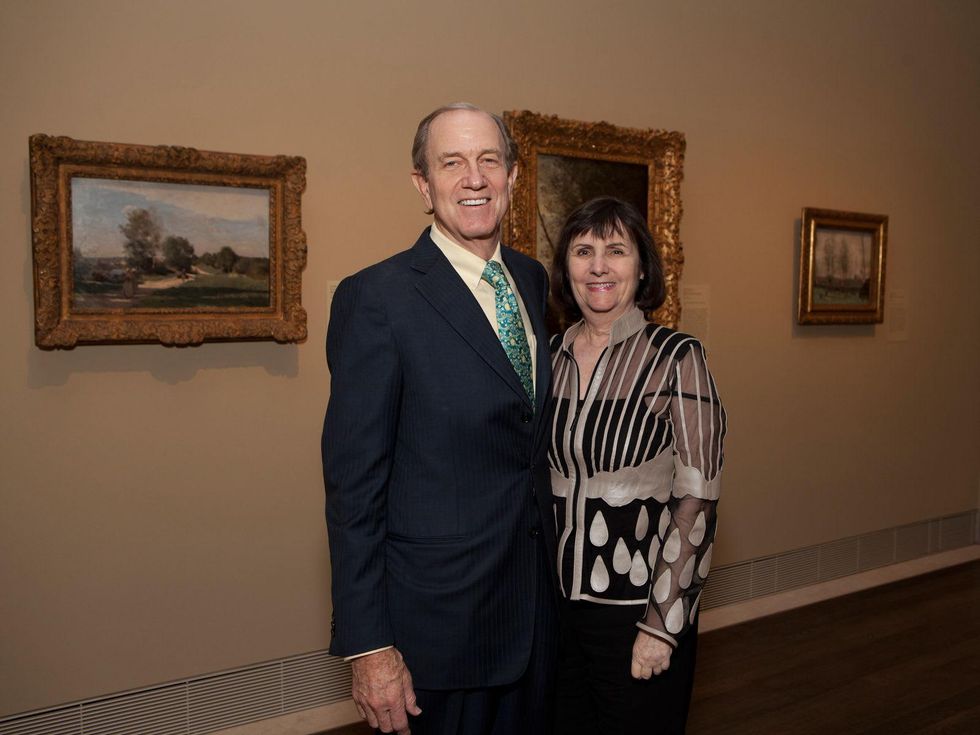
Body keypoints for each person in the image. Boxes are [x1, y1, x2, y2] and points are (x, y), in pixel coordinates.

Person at [322, 103, 558, 735]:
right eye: (451, 163)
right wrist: (369, 647)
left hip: (536, 617)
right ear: (423, 185)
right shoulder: (377, 299)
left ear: (512, 175)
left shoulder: (533, 282)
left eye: (489, 160)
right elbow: (354, 489)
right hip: (439, 634)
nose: (473, 178)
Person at [547, 197, 727, 734]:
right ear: (567, 270)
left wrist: (662, 626)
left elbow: (698, 498)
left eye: (615, 251)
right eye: (583, 251)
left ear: (641, 267)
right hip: (554, 615)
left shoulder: (677, 358)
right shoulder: (549, 356)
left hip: (637, 612)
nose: (598, 266)